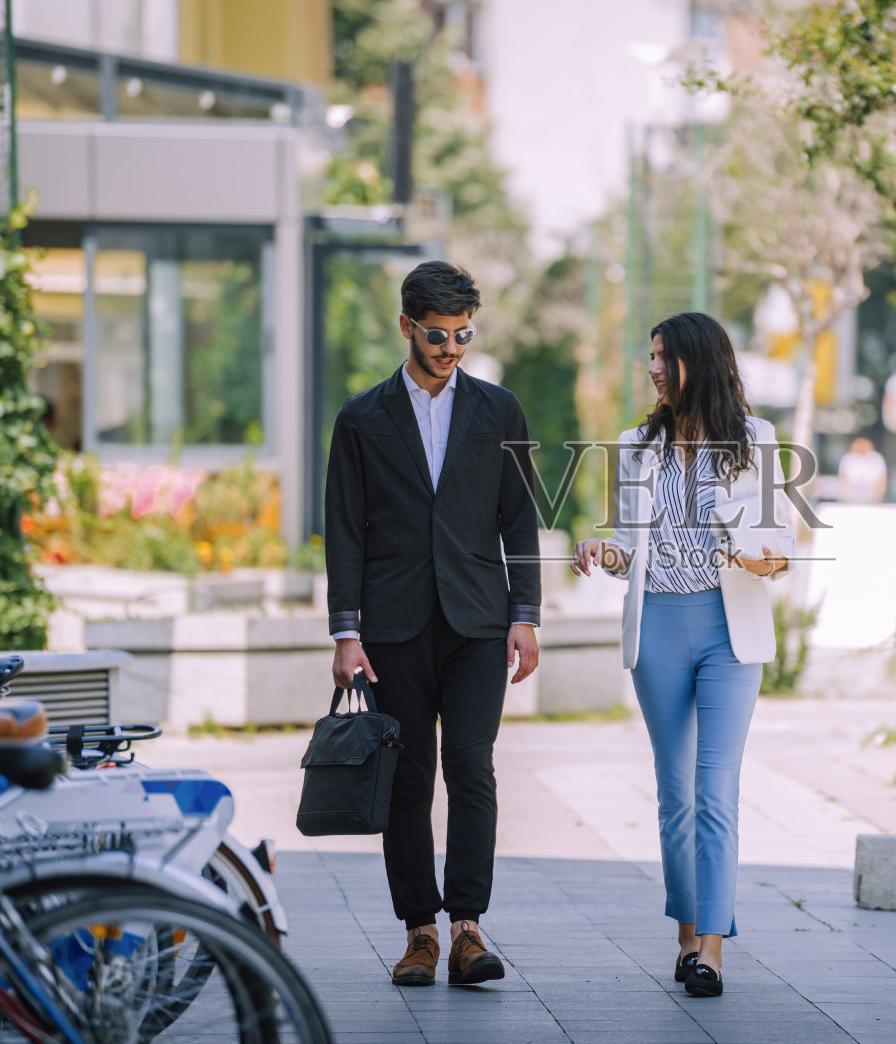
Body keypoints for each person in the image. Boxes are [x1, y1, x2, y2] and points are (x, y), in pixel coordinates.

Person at [324, 260, 542, 988]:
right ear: (406, 327)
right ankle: (419, 931)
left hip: (479, 621)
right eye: (438, 335)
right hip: (393, 625)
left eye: (463, 335)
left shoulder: (498, 410)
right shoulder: (360, 418)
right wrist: (345, 633)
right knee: (410, 778)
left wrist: (526, 616)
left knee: (472, 769)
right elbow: (345, 529)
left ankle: (468, 929)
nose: (451, 349)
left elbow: (521, 517)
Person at [571, 312, 795, 999]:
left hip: (730, 632)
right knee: (674, 795)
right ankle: (685, 930)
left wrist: (755, 558)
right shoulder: (637, 445)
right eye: (651, 355)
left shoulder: (754, 442)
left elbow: (779, 550)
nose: (654, 367)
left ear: (702, 361)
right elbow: (629, 553)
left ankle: (711, 952)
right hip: (660, 627)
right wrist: (603, 552)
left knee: (714, 790)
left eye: (666, 356)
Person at [835, 436, 888, 503]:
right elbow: (841, 479)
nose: (862, 447)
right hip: (849, 499)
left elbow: (882, 480)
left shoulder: (877, 459)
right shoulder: (847, 458)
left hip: (873, 498)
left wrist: (878, 493)